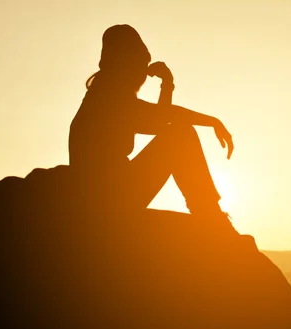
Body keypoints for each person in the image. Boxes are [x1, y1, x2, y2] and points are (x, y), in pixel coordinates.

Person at [68, 24, 235, 229]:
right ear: (125, 64)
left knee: (178, 133)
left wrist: (167, 85)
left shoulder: (102, 95)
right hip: (107, 201)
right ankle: (209, 213)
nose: (143, 74)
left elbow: (158, 119)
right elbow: (164, 119)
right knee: (181, 134)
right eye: (140, 65)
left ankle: (208, 211)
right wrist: (212, 121)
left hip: (109, 196)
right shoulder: (107, 99)